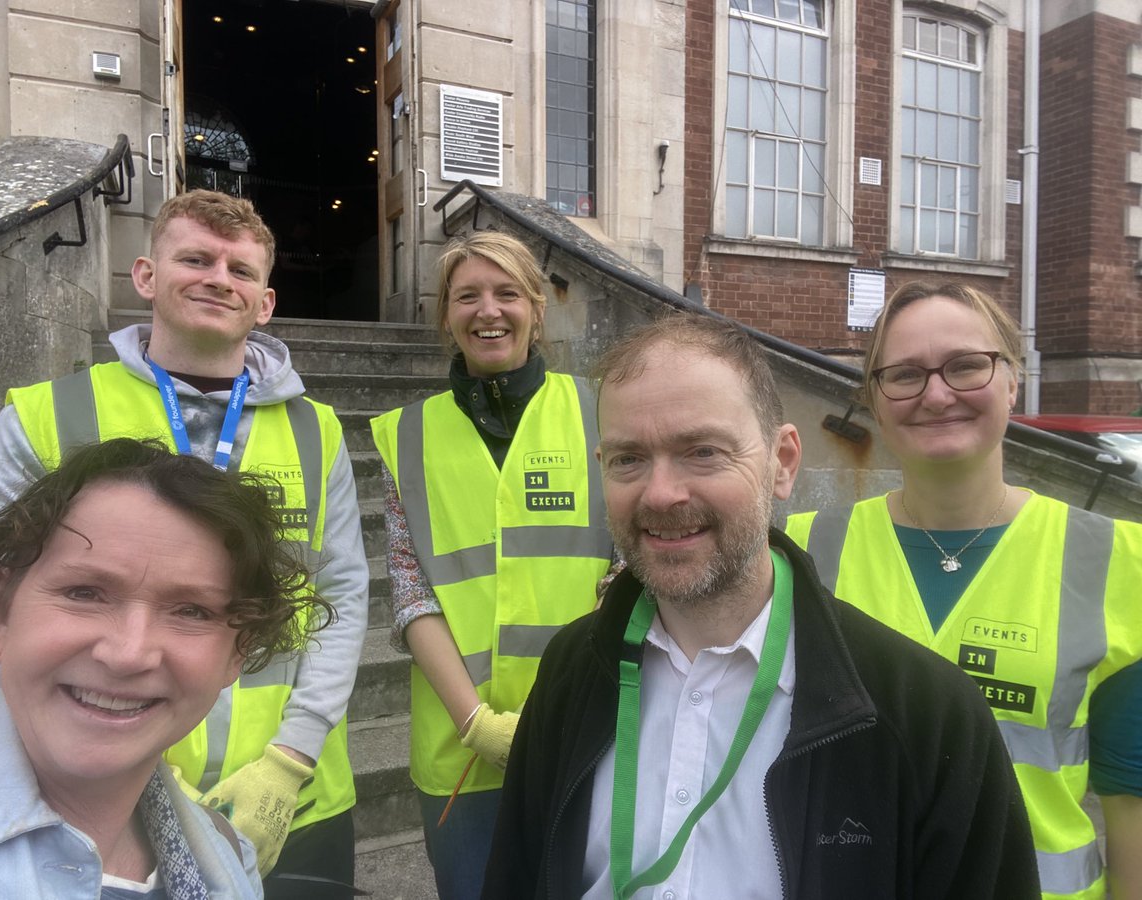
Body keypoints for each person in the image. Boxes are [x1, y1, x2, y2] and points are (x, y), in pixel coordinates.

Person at [484, 312, 1040, 899]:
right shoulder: (570, 671)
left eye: (702, 451)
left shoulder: (925, 712)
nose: (661, 493)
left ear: (783, 462)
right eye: (629, 459)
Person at [0, 190, 369, 896]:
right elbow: (4, 617)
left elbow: (341, 595)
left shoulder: (320, 431)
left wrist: (291, 756)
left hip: (297, 793)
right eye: (195, 258)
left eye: (241, 270)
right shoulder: (43, 417)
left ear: (266, 302)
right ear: (146, 277)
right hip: (103, 800)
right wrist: (116, 764)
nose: (220, 278)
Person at [785, 282, 1142, 900]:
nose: (937, 394)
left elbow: (1130, 796)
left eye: (966, 366)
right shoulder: (798, 554)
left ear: (1013, 381)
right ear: (873, 398)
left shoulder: (1118, 563)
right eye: (904, 375)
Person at [0, 438, 337, 898]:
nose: (129, 654)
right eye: (84, 593)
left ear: (238, 651)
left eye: (191, 611)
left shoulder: (230, 856)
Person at [370, 230, 614, 899]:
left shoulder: (602, 411)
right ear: (445, 315)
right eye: (467, 295)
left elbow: (630, 568)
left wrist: (564, 709)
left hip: (589, 733)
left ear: (537, 307)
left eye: (507, 292)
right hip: (460, 755)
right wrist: (476, 724)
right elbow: (411, 593)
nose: (488, 311)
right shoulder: (405, 434)